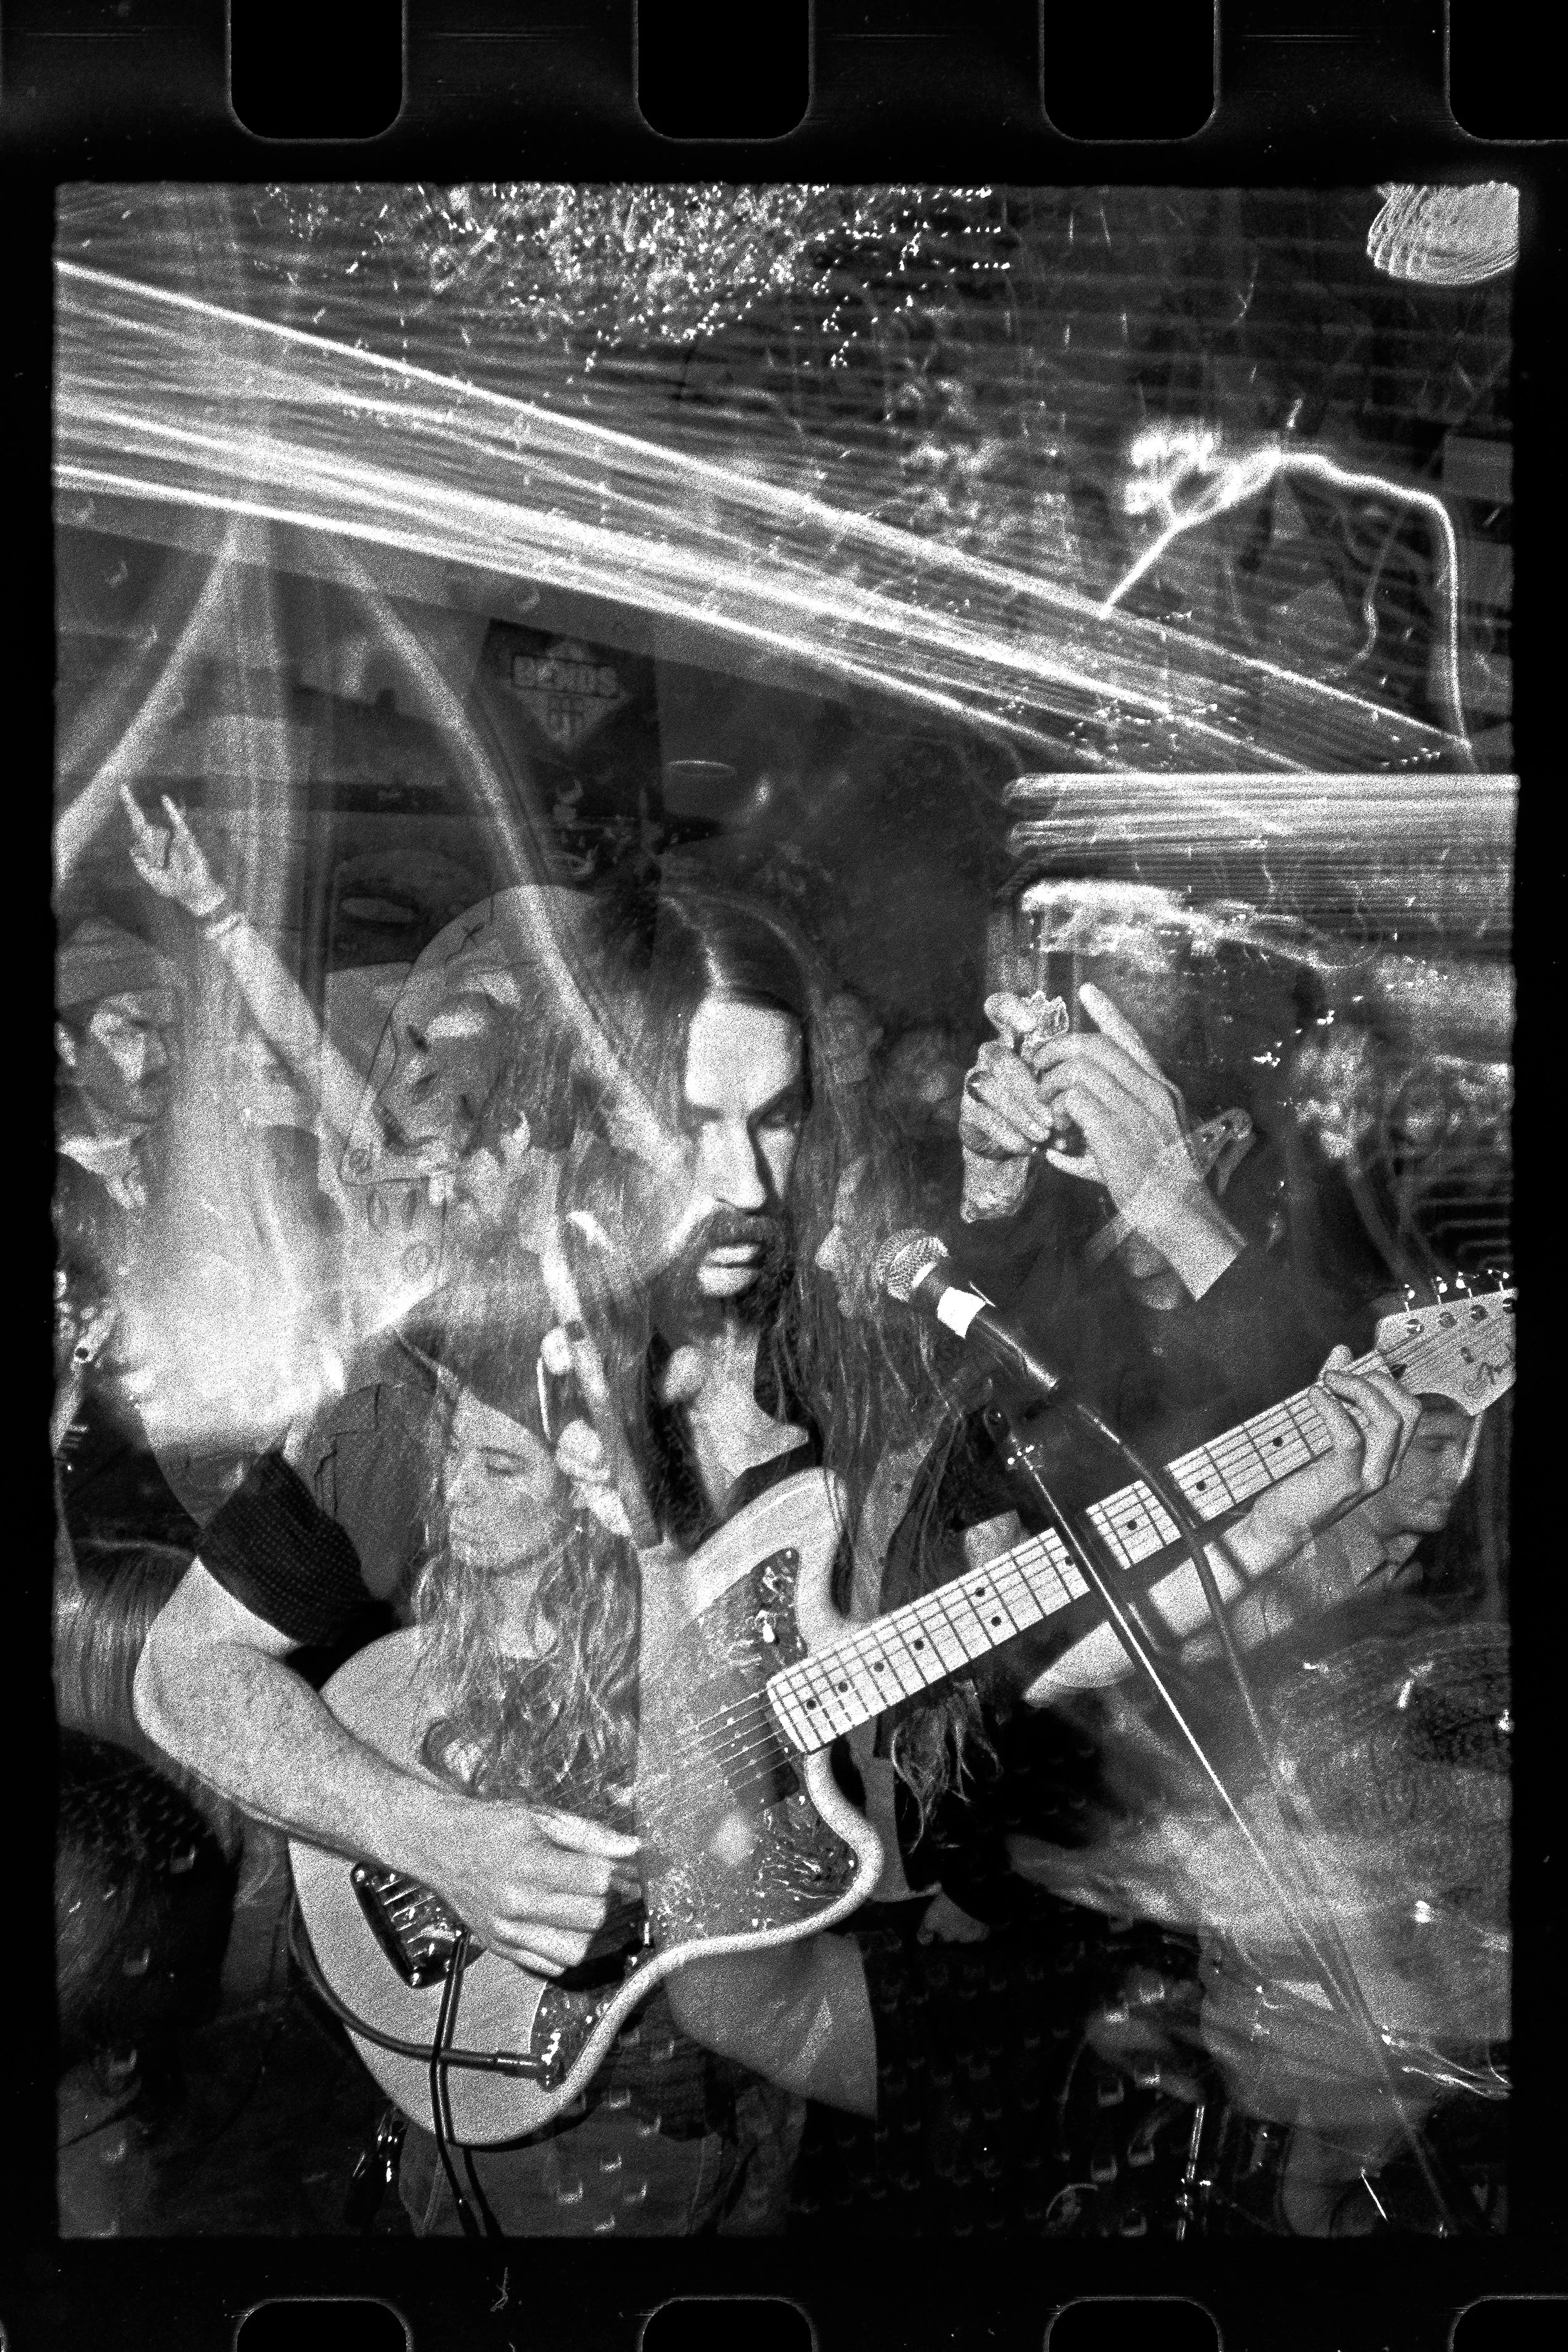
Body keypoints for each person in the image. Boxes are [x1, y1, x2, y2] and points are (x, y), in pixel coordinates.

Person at [134, 882, 1421, 2229]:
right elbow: (186, 1671)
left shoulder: (862, 1363)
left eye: (774, 1118)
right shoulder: (450, 1386)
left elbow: (997, 1651)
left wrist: (1278, 1519)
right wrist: (431, 1833)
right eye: (687, 1129)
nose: (744, 1184)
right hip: (543, 2101)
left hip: (790, 2056)